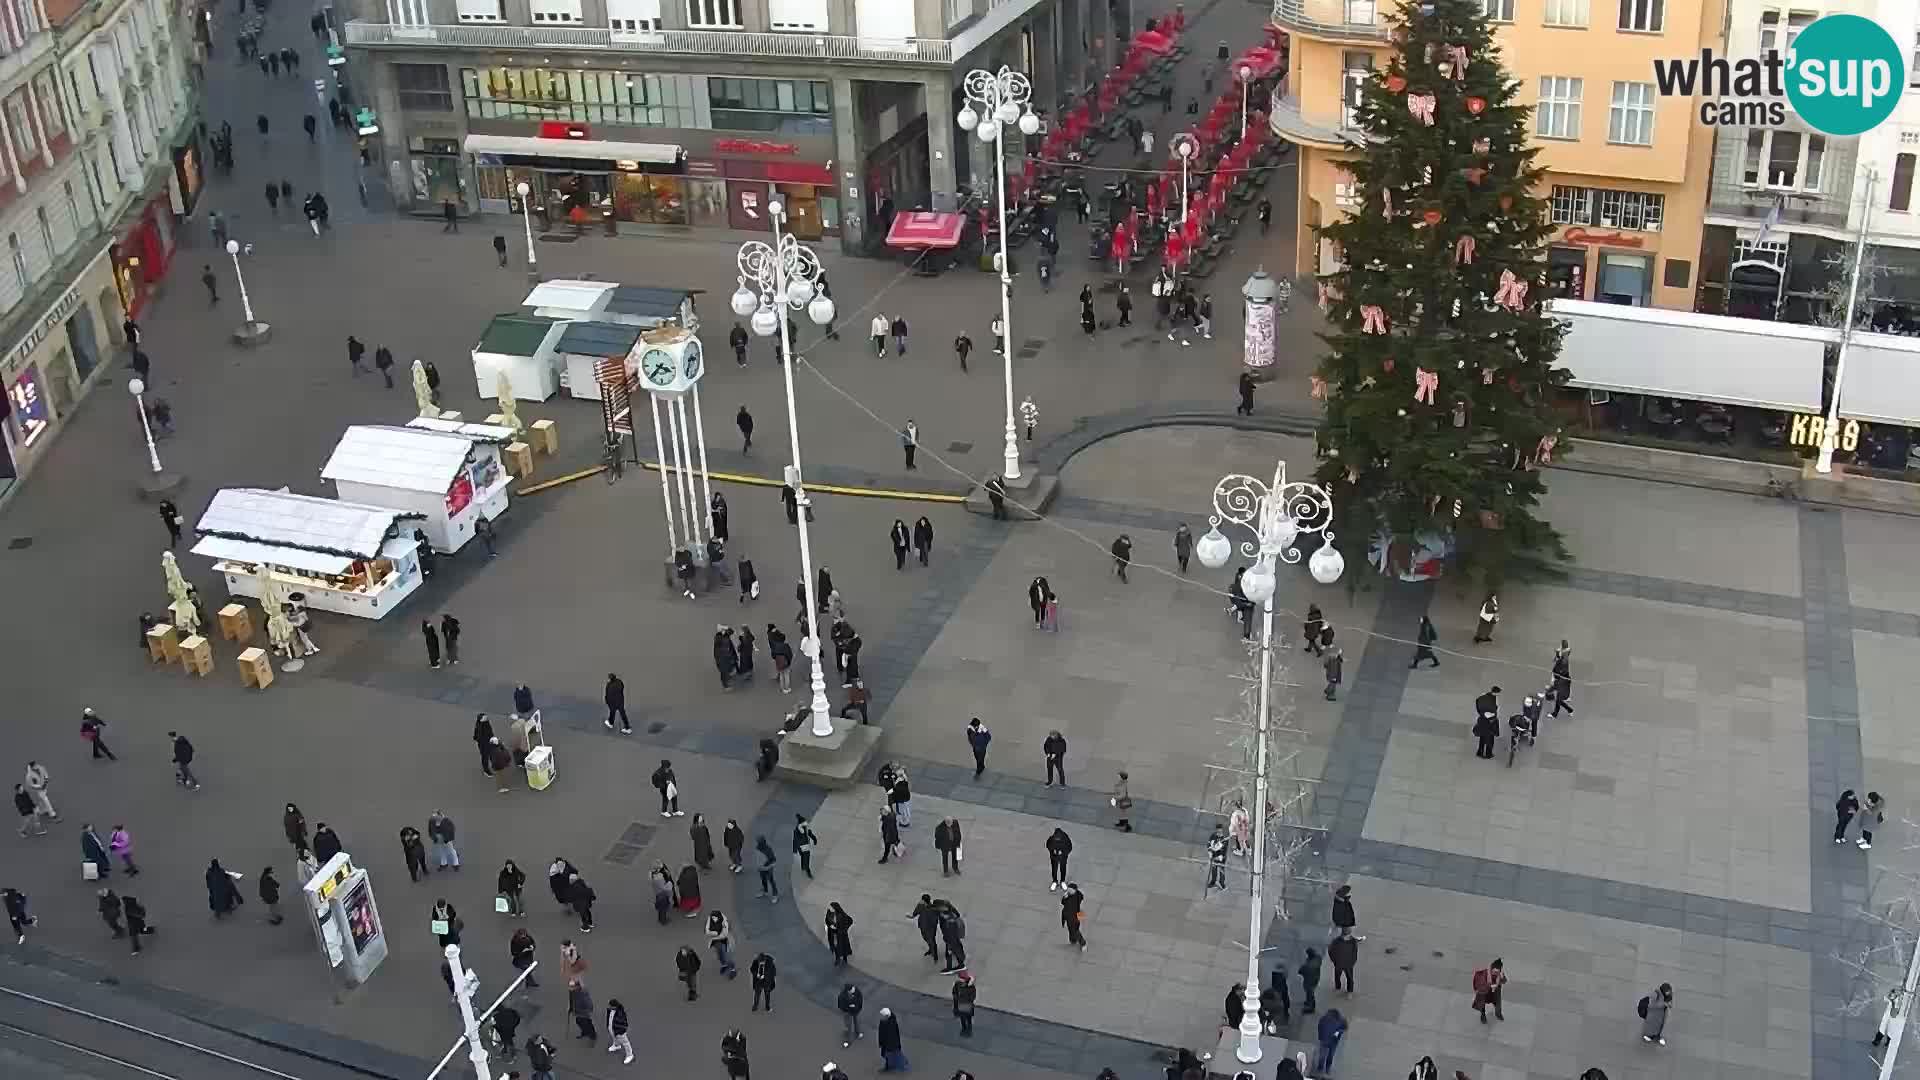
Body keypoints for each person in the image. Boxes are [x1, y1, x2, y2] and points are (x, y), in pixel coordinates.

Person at [1472, 957, 1507, 1022]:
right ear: (1491, 969)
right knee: (1482, 1004)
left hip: (1494, 993)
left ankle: (1498, 1014)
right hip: (1484, 992)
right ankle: (1483, 1015)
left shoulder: (1499, 974)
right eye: (1494, 971)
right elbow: (1479, 986)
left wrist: (1501, 977)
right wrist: (1490, 985)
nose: (1496, 973)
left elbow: (1504, 981)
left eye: (1498, 972)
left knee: (1497, 1004)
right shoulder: (1484, 974)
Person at [1314, 1008, 1347, 1074]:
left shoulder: (1341, 1020)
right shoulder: (1324, 1019)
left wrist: (1338, 1032)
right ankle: (1320, 1068)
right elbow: (1319, 1027)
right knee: (1322, 1056)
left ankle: (1327, 1068)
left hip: (1333, 1042)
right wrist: (1320, 1037)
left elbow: (1344, 1028)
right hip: (1324, 1041)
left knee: (1330, 1056)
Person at [707, 909, 737, 976]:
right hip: (718, 945)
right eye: (712, 918)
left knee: (728, 958)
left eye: (715, 917)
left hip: (726, 945)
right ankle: (724, 965)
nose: (713, 919)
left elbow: (728, 938)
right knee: (721, 957)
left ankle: (733, 969)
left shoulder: (725, 925)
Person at [1329, 928, 1358, 992]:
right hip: (1339, 963)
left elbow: (1355, 952)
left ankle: (1350, 991)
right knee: (1337, 976)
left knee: (1349, 978)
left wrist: (1352, 962)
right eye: (1349, 934)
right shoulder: (1336, 941)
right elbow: (1331, 951)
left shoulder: (1353, 941)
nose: (1350, 935)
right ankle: (1338, 987)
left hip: (1348, 964)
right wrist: (1334, 960)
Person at [826, 902, 854, 967]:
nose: (830, 908)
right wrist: (830, 925)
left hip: (841, 934)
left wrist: (844, 928)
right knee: (836, 946)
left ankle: (844, 959)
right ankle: (837, 958)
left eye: (832, 907)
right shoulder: (830, 914)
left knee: (843, 946)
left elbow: (850, 920)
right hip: (834, 933)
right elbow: (827, 921)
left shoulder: (841, 914)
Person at [1061, 882, 1087, 947]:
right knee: (1071, 929)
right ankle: (1073, 940)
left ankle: (1083, 943)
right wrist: (1065, 897)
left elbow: (1079, 899)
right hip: (1069, 916)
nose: (1068, 890)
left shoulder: (1077, 896)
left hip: (1074, 916)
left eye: (1070, 890)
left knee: (1075, 930)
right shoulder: (1069, 895)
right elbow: (1063, 903)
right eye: (1068, 889)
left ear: (1074, 890)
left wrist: (1066, 897)